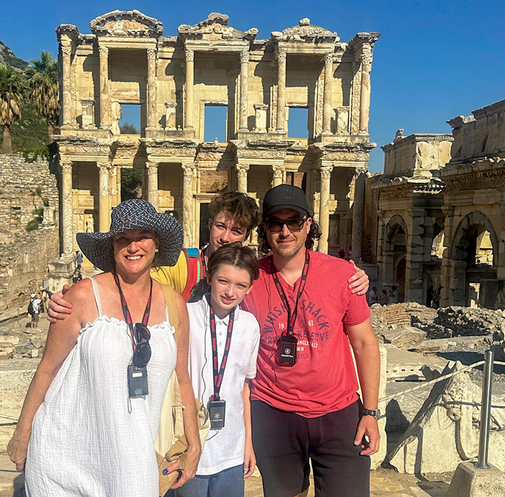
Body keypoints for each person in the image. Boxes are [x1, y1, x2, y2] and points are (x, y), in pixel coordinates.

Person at [7, 199, 200, 496]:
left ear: (157, 243)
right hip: (65, 456)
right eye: (123, 238)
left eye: (142, 237)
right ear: (112, 246)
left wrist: (194, 443)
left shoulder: (175, 304)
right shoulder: (82, 295)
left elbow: (183, 378)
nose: (133, 246)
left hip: (134, 459)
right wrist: (22, 434)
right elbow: (48, 368)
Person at [47, 191, 370, 321]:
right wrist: (78, 294)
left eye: (236, 231)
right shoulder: (182, 264)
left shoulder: (255, 272)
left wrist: (354, 277)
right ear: (209, 224)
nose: (225, 237)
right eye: (220, 226)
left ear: (246, 236)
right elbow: (131, 281)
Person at [246, 184, 380, 497]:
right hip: (273, 412)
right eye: (275, 223)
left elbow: (364, 343)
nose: (285, 231)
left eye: (293, 221)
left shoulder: (343, 275)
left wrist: (370, 413)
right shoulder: (249, 278)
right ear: (264, 229)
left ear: (308, 225)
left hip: (339, 413)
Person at [175, 243, 260, 497]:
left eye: (240, 285)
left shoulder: (249, 325)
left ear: (250, 288)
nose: (230, 292)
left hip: (231, 450)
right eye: (223, 281)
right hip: (188, 447)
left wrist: (248, 443)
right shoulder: (185, 316)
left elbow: (244, 388)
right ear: (209, 277)